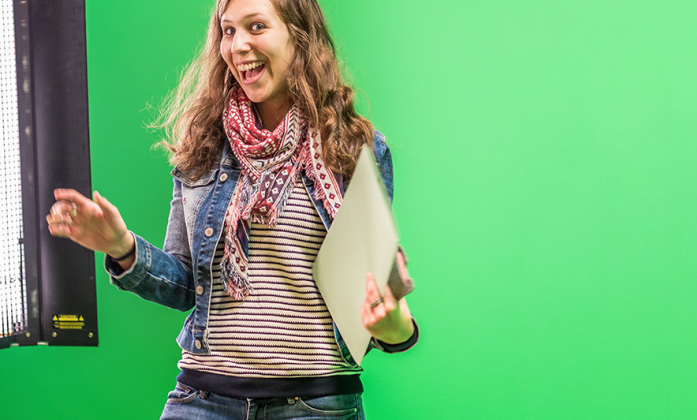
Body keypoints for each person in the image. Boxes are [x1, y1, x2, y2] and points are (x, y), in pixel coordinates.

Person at [45, 0, 418, 418]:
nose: (238, 45)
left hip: (315, 403)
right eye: (228, 30)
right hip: (203, 398)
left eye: (256, 27)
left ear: (299, 35)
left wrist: (393, 327)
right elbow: (186, 285)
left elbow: (373, 298)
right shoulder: (203, 147)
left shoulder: (351, 148)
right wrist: (122, 247)